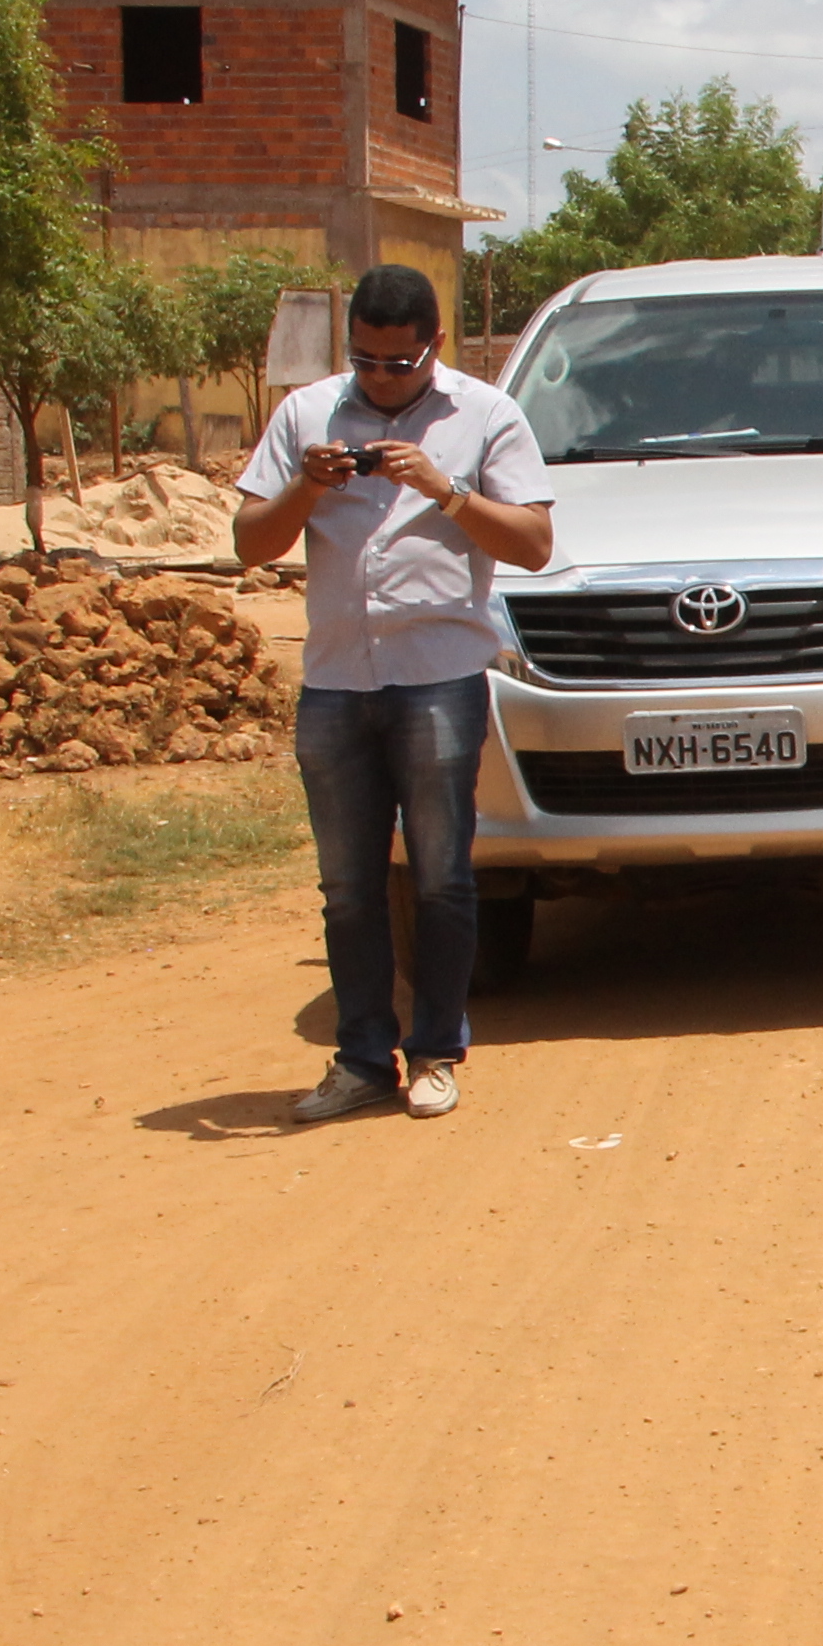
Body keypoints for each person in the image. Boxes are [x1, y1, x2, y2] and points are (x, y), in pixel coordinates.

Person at [230, 263, 557, 1122]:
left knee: (442, 878)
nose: (380, 379)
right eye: (366, 361)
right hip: (338, 682)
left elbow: (533, 546)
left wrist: (442, 489)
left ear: (433, 347)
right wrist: (308, 483)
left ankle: (437, 1052)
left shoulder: (487, 415)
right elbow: (249, 546)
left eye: (399, 363)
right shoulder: (306, 415)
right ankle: (363, 1058)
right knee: (348, 887)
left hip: (438, 678)